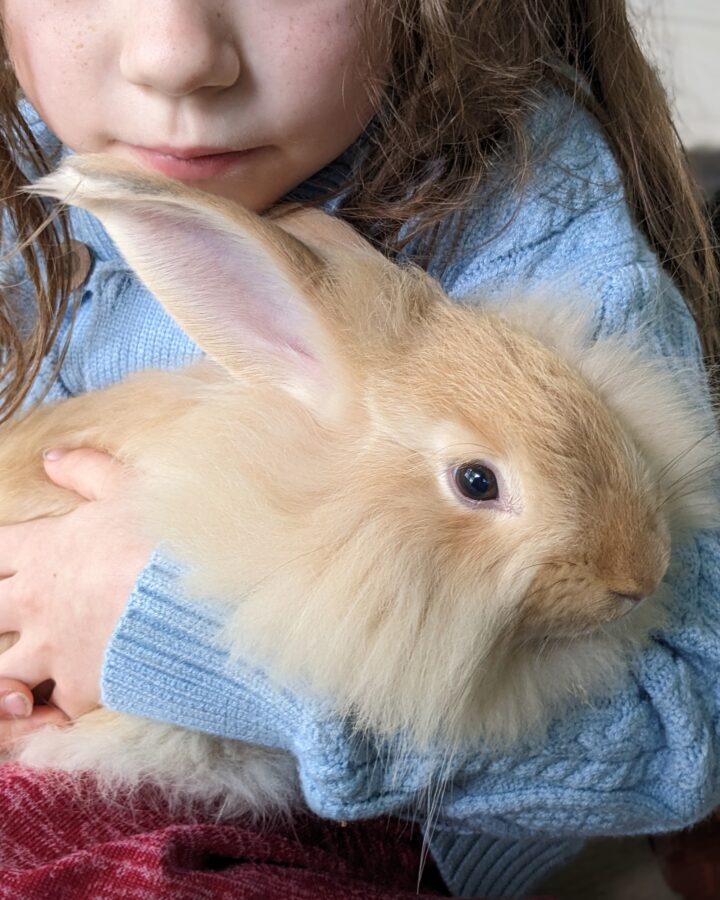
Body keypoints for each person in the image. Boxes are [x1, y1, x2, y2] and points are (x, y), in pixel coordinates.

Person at [0, 1, 718, 897]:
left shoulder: (535, 206)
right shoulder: (24, 159)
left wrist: (160, 627)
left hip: (353, 833)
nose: (173, 56)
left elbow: (682, 732)